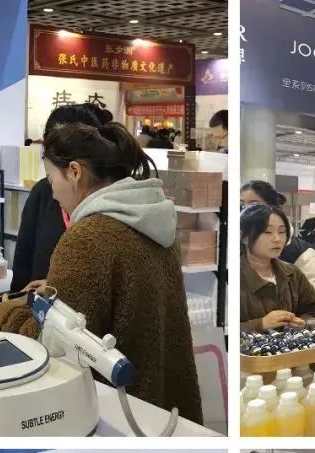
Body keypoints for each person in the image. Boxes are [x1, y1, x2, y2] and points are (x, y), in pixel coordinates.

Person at [23, 119, 203, 422]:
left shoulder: (88, 237)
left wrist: (5, 314)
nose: (52, 193)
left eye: (51, 179)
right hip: (165, 406)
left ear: (74, 172)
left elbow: (56, 344)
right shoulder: (155, 220)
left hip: (119, 414)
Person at [9, 103, 108, 292]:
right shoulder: (43, 193)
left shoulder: (111, 211)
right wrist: (12, 305)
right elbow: (23, 268)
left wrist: (57, 289)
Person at [240, 204, 315, 331]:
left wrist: (303, 324)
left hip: (292, 343)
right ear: (245, 237)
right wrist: (260, 324)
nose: (277, 239)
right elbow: (223, 331)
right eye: (267, 232)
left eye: (282, 232)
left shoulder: (293, 273)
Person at [240, 180, 315, 295]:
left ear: (271, 207)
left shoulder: (302, 255)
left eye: (253, 205)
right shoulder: (237, 247)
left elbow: (313, 302)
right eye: (241, 205)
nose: (245, 210)